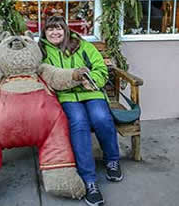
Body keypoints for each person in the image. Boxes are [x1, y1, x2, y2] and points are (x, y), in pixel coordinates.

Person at [39, 15, 123, 206]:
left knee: (101, 118)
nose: (55, 32)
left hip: (91, 93)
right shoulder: (42, 51)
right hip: (67, 97)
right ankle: (89, 180)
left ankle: (112, 159)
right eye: (50, 29)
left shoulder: (82, 45)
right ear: (44, 33)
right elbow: (44, 75)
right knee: (79, 123)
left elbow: (100, 68)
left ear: (65, 29)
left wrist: (92, 80)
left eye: (58, 28)